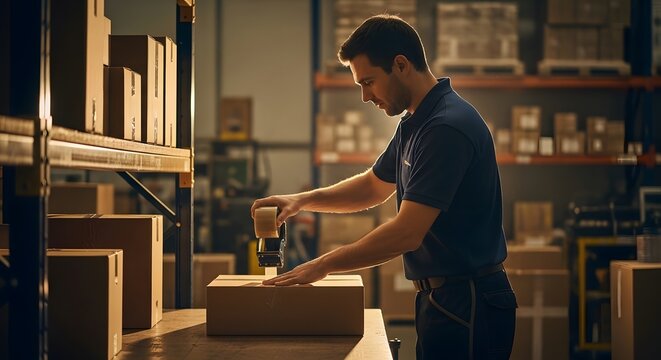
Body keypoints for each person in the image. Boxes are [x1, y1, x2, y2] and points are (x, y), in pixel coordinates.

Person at [251, 14, 517, 360]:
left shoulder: (446, 128)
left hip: (470, 302)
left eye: (369, 82)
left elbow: (406, 233)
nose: (364, 96)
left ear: (401, 65)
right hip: (443, 299)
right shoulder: (415, 123)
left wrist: (323, 265)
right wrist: (300, 201)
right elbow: (373, 187)